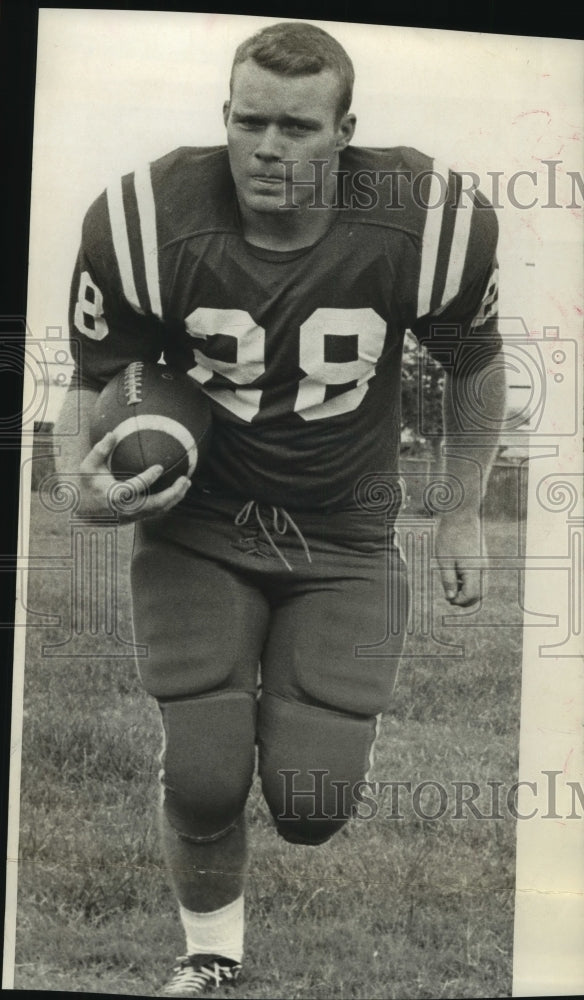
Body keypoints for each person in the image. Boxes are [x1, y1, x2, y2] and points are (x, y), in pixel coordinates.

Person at [55, 21, 505, 997]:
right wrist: (75, 478)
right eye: (248, 121)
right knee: (208, 773)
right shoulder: (145, 217)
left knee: (312, 802)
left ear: (344, 128)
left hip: (343, 534)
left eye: (295, 127)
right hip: (200, 525)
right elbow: (94, 376)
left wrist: (459, 512)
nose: (266, 147)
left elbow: (474, 365)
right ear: (224, 116)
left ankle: (272, 727)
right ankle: (209, 952)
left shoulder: (421, 218)